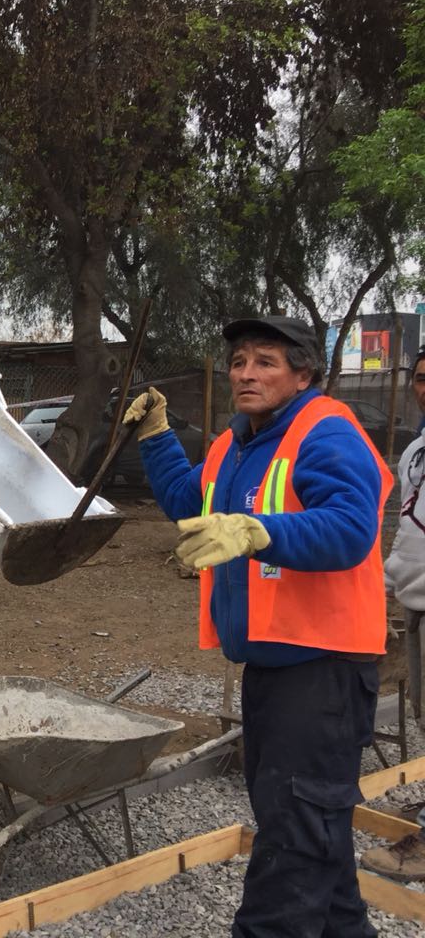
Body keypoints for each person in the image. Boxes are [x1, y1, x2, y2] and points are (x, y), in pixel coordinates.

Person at [125, 316, 392, 937]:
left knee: (292, 847)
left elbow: (353, 528)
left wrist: (257, 530)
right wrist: (158, 435)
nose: (246, 372)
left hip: (323, 671)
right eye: (239, 360)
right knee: (312, 837)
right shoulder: (236, 443)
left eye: (266, 361)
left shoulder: (326, 430)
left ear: (304, 372)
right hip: (274, 668)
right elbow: (190, 503)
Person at [361, 346, 425, 882]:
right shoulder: (414, 453)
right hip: (415, 601)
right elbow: (408, 532)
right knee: (424, 711)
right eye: (421, 378)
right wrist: (382, 581)